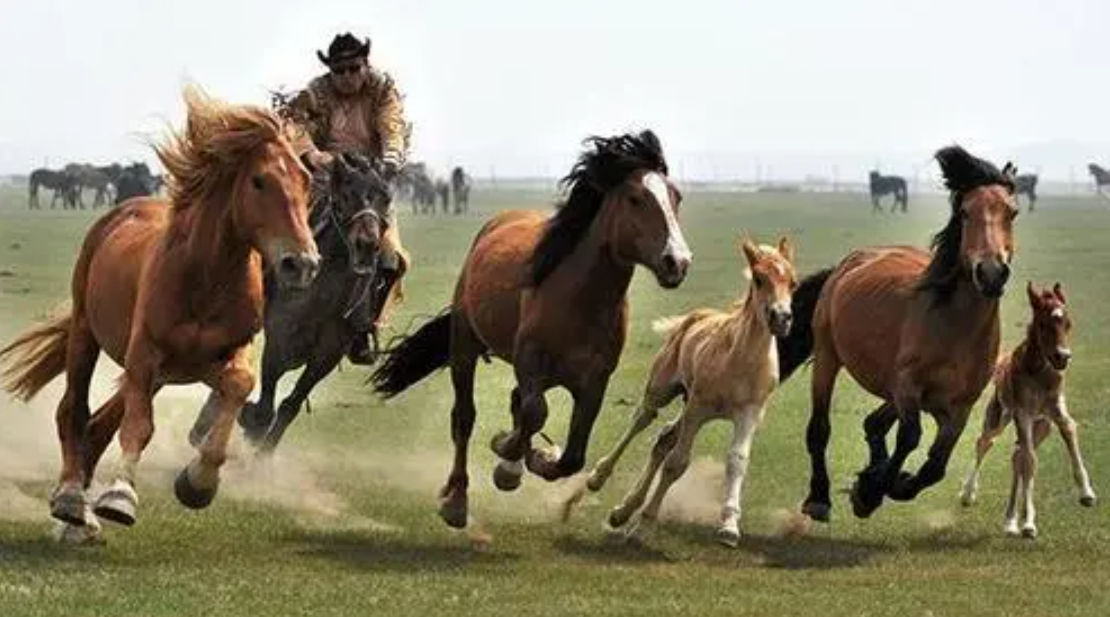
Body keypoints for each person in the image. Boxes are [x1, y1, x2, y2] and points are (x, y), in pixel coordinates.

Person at [281, 32, 412, 364]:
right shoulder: (315, 93)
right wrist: (312, 156)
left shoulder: (383, 89)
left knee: (390, 258)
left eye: (354, 68)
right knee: (287, 242)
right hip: (326, 181)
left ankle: (364, 327)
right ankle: (270, 306)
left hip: (371, 185)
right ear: (330, 71)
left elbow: (393, 127)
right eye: (339, 70)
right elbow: (295, 128)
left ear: (365, 65)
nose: (348, 77)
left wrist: (392, 158)